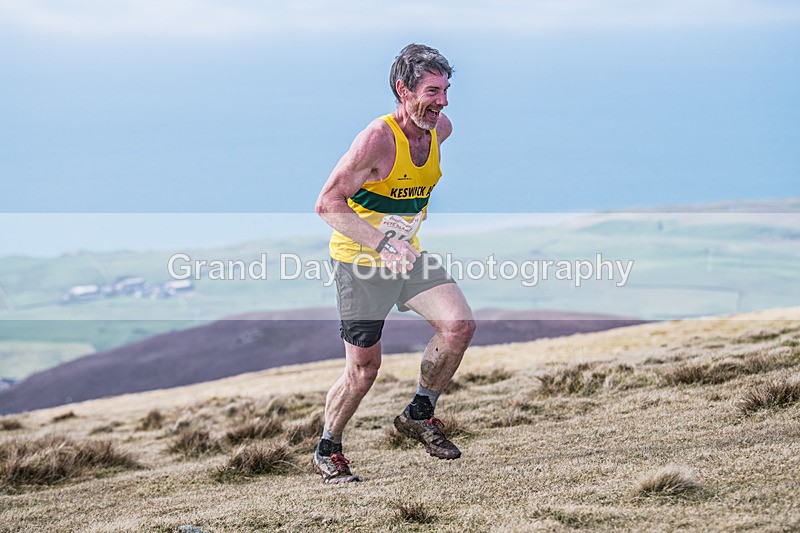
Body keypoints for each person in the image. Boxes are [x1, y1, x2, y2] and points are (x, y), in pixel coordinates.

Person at [313, 44, 476, 484]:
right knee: (364, 370)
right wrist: (383, 243)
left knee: (458, 326)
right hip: (361, 264)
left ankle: (418, 414)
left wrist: (398, 245)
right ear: (403, 90)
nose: (442, 101)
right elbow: (327, 203)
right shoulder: (377, 139)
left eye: (446, 90)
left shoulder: (441, 129)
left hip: (406, 257)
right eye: (432, 91)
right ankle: (328, 448)